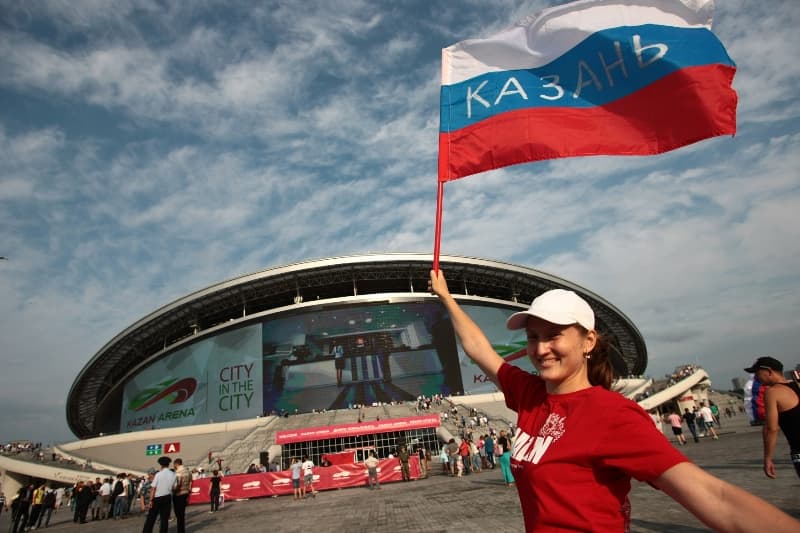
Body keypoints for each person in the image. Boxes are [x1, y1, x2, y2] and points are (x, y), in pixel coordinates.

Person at [429, 269, 800, 532]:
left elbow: (713, 496)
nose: (540, 349)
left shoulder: (612, 414)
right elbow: (480, 350)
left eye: (554, 335)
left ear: (588, 341)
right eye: (533, 336)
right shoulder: (530, 394)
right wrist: (446, 297)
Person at [745, 356, 800, 479]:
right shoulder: (797, 384)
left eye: (757, 373)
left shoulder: (773, 392)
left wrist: (768, 458)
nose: (756, 377)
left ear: (769, 371)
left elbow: (771, 428)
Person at [143, 456, 176, 533]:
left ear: (161, 465)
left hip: (157, 498)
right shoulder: (173, 474)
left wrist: (151, 500)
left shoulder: (158, 474)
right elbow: (174, 487)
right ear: (168, 464)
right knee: (164, 519)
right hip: (167, 497)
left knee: (151, 518)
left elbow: (153, 488)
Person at [173, 458, 192, 533]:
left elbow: (178, 484)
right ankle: (182, 530)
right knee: (182, 514)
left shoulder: (178, 472)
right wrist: (188, 489)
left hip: (178, 494)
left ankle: (180, 530)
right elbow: (191, 481)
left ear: (176, 464)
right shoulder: (188, 471)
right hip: (185, 493)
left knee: (178, 515)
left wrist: (173, 490)